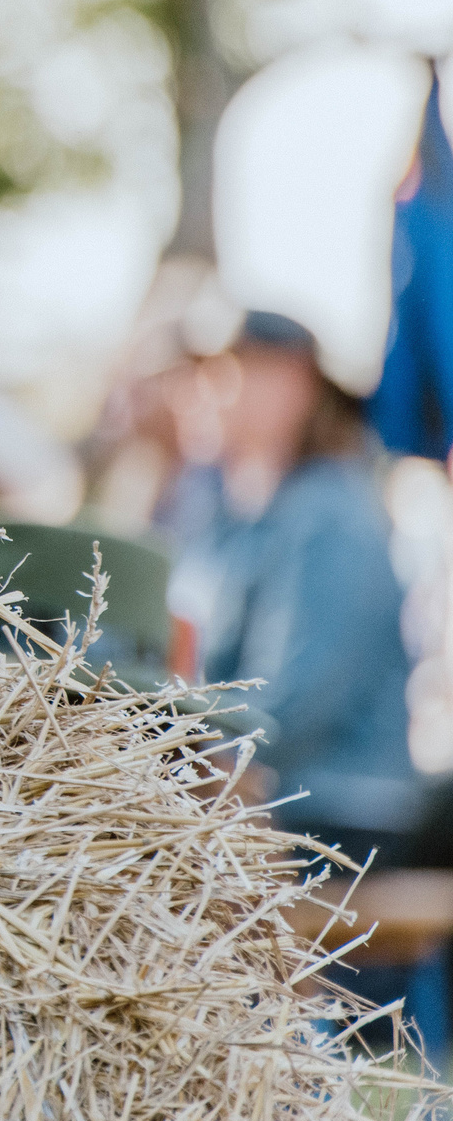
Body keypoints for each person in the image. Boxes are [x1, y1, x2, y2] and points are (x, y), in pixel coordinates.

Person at [161, 309, 440, 1053]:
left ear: (290, 386)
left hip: (337, 815)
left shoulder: (330, 517)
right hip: (273, 799)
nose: (202, 393)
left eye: (224, 372)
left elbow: (290, 712)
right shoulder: (234, 514)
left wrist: (173, 751)